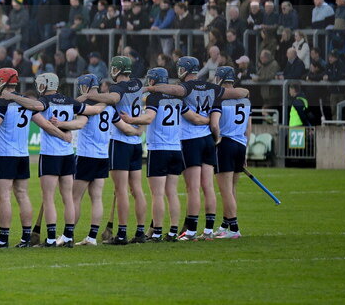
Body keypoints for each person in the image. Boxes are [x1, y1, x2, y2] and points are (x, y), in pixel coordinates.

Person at [146, 56, 248, 241]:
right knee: (208, 186)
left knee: (193, 187)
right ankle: (208, 230)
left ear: (183, 70)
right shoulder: (211, 87)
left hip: (190, 140)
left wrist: (152, 88)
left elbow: (175, 90)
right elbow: (241, 92)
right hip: (208, 140)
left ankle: (191, 231)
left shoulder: (186, 88)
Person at [0, 68, 59, 248]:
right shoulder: (27, 102)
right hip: (23, 156)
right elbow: (46, 125)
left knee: (4, 198)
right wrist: (64, 135)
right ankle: (25, 239)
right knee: (22, 195)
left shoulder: (1, 103)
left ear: (2, 82)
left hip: (5, 156)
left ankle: (3, 239)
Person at [122, 67, 200, 242]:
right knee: (171, 192)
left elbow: (149, 118)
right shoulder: (179, 99)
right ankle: (173, 231)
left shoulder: (154, 97)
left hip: (158, 148)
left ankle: (156, 231)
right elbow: (194, 118)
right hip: (175, 149)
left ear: (153, 81)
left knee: (157, 194)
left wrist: (131, 120)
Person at [7, 73, 84, 247]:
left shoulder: (44, 101)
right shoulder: (70, 101)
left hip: (50, 154)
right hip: (68, 154)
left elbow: (33, 106)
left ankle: (50, 239)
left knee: (48, 197)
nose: (38, 86)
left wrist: (13, 97)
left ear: (46, 84)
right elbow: (87, 112)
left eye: (40, 83)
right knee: (67, 198)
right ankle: (68, 237)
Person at [78, 55, 146, 245]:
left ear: (116, 70)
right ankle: (140, 232)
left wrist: (90, 95)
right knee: (137, 189)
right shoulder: (138, 84)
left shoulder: (117, 88)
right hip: (135, 141)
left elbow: (113, 98)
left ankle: (122, 234)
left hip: (120, 142)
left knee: (121, 190)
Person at [65, 74, 114, 246]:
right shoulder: (108, 105)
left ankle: (68, 235)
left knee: (75, 197)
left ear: (85, 87)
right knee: (97, 198)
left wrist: (57, 125)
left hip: (86, 155)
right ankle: (92, 237)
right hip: (103, 155)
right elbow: (123, 126)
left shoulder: (88, 105)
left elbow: (79, 124)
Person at [209, 66, 252, 239]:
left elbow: (214, 124)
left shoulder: (220, 98)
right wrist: (246, 150)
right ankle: (226, 225)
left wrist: (216, 139)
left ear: (220, 79)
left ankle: (234, 228)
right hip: (240, 145)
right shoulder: (245, 99)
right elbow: (248, 127)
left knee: (225, 190)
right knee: (232, 188)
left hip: (225, 144)